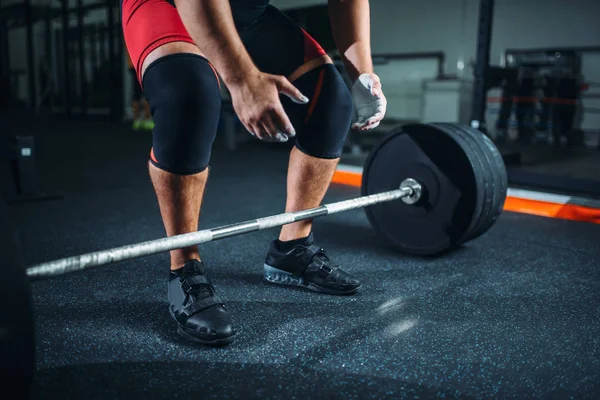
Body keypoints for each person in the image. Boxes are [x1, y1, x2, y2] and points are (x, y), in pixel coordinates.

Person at [121, 0, 387, 346]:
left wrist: (361, 73)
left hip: (247, 14)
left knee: (330, 101)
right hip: (168, 6)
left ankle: (292, 249)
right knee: (191, 97)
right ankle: (184, 267)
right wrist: (240, 79)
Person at [127, 53, 154, 131]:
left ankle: (138, 120)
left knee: (137, 93)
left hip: (136, 65)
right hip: (142, 64)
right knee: (145, 93)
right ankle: (146, 120)